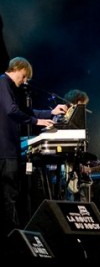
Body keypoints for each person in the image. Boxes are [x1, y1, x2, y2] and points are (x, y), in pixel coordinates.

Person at [0, 56, 67, 245]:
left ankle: (13, 236)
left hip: (9, 150)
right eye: (24, 76)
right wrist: (37, 122)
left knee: (11, 195)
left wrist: (50, 113)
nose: (25, 81)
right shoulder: (3, 82)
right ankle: (13, 239)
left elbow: (25, 111)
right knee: (9, 196)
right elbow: (12, 111)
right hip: (5, 150)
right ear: (18, 68)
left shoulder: (9, 87)